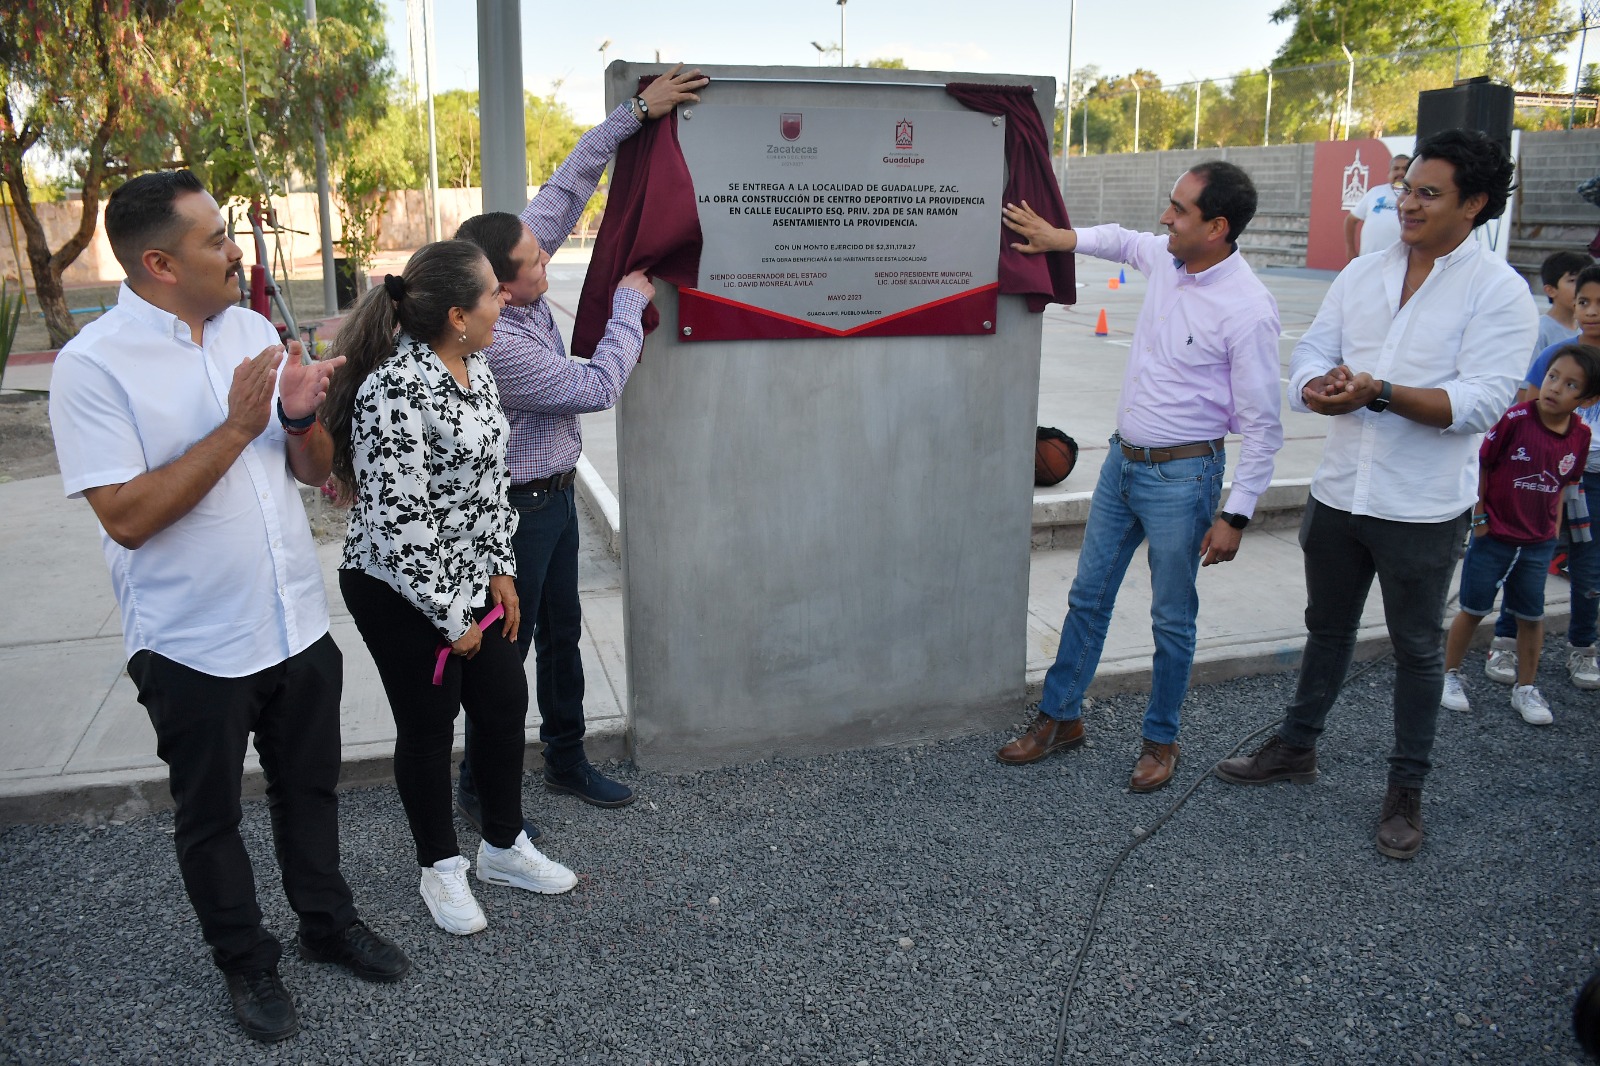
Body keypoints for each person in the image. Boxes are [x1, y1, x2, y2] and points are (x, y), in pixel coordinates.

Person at [48, 170, 409, 1043]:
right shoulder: (90, 367)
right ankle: (246, 962)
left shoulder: (250, 327)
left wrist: (292, 420)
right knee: (210, 818)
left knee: (310, 791)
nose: (235, 247)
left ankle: (326, 925)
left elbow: (314, 472)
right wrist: (240, 427)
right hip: (191, 647)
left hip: (293, 624)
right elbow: (127, 518)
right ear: (162, 262)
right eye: (215, 239)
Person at [1215, 129, 1539, 861]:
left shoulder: (1499, 293)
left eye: (1430, 193)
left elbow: (1482, 403)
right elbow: (1312, 353)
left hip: (1421, 507)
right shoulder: (1367, 269)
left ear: (1476, 204)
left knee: (1418, 650)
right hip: (1339, 494)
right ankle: (1296, 749)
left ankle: (1405, 792)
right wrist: (1320, 389)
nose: (1409, 203)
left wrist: (1380, 392)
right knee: (1325, 630)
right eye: (1407, 189)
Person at [450, 63, 707, 824]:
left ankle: (565, 760)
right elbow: (596, 386)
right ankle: (483, 792)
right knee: (510, 658)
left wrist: (635, 111)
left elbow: (567, 188)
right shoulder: (498, 345)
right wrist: (629, 308)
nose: (549, 259)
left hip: (556, 502)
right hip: (517, 516)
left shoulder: (512, 271)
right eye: (534, 265)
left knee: (562, 641)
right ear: (498, 286)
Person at [995, 161, 1284, 792]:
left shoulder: (1247, 309)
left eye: (1179, 211)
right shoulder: (1169, 260)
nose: (1165, 218)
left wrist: (1236, 512)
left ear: (1218, 226)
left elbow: (1264, 425)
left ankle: (1161, 739)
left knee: (1171, 618)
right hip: (1123, 465)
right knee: (1086, 597)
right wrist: (1055, 237)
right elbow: (1121, 240)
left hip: (1185, 480)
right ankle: (1060, 718)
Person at [324, 240, 581, 937]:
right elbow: (398, 523)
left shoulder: (476, 365)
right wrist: (448, 618)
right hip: (398, 587)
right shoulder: (391, 392)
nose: (506, 302)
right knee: (429, 724)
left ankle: (503, 846)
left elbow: (492, 478)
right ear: (459, 314)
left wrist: (501, 568)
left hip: (471, 573)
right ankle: (440, 868)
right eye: (495, 294)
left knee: (503, 699)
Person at [1439, 343, 1600, 724]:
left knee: (1531, 615)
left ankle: (1525, 688)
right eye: (1553, 376)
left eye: (1571, 385)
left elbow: (1567, 484)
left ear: (1588, 398)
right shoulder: (1514, 418)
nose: (1556, 388)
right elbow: (1482, 465)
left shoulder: (1579, 437)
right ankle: (1448, 676)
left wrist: (1554, 529)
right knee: (1473, 609)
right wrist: (1479, 519)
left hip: (1538, 543)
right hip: (1493, 537)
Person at [1488, 265, 1600, 690]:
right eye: (1584, 301)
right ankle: (1505, 639)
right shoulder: (1557, 356)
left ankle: (1583, 646)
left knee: (1589, 571)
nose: (1590, 312)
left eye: (1599, 304)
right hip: (1543, 478)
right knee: (1526, 559)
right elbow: (1526, 409)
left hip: (1595, 484)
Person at [1344, 153, 1412, 260]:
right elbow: (1350, 220)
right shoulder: (1375, 192)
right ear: (1389, 173)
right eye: (1396, 169)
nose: (1400, 172)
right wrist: (1350, 250)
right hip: (1367, 261)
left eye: (1405, 169)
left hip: (1400, 263)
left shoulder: (1414, 197)